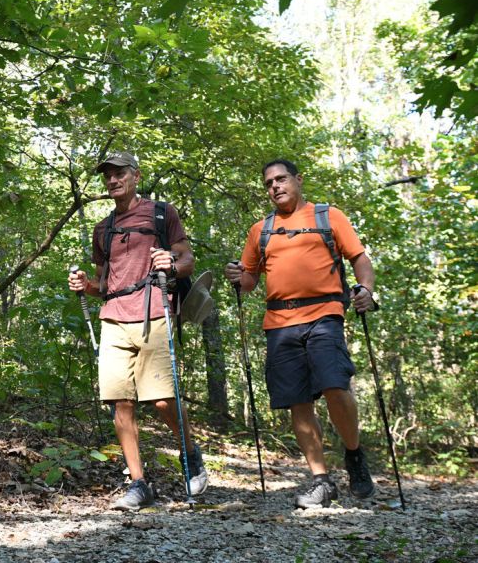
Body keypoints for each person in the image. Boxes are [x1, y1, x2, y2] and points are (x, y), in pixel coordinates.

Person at [223, 159, 376, 509]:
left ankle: (354, 454)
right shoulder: (259, 229)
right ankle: (321, 479)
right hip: (279, 323)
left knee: (336, 385)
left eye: (281, 179)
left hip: (325, 314)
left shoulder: (328, 216)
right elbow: (248, 283)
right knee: (298, 399)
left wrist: (366, 289)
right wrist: (237, 275)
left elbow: (359, 259)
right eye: (269, 183)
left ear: (297, 180)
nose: (275, 186)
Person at [68, 151, 209, 510]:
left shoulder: (162, 213)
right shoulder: (103, 229)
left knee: (162, 399)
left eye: (119, 174)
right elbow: (102, 283)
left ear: (135, 175)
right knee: (120, 403)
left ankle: (190, 452)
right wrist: (85, 284)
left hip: (154, 311)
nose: (113, 180)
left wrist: (172, 263)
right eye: (108, 176)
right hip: (114, 316)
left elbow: (186, 257)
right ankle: (138, 482)